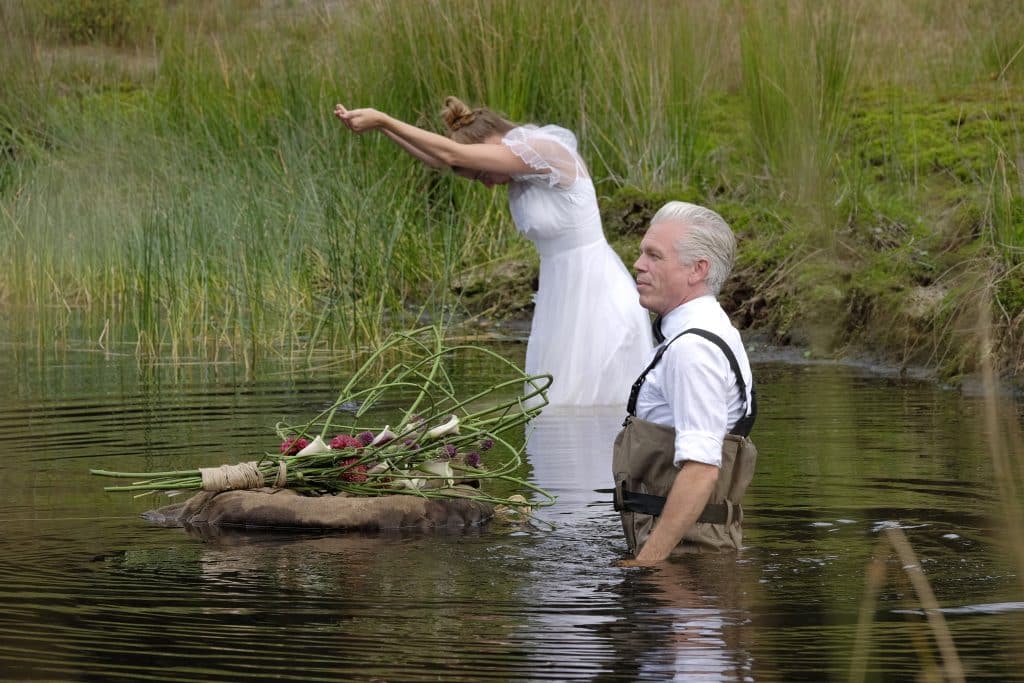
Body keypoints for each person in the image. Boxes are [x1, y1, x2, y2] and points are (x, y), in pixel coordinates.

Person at [333, 97, 653, 406]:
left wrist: (384, 118)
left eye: (483, 173)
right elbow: (439, 159)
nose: (487, 184)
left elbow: (450, 155)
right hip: (562, 302)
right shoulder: (517, 168)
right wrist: (382, 129)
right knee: (558, 408)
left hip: (596, 299)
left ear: (489, 143)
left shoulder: (540, 150)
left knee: (599, 410)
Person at [612, 201, 758, 565]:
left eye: (654, 255)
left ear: (697, 270)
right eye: (641, 253)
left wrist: (646, 564)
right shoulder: (705, 332)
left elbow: (701, 470)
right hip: (689, 549)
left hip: (686, 556)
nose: (638, 264)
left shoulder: (692, 349)